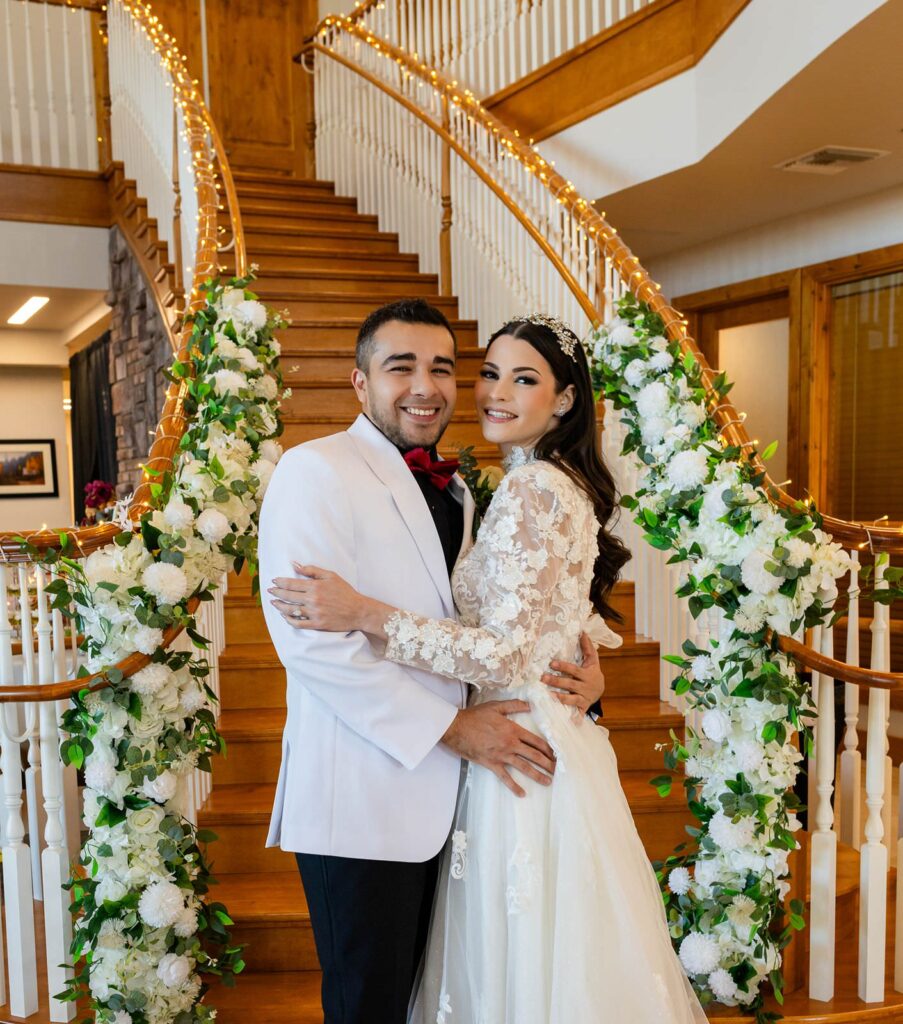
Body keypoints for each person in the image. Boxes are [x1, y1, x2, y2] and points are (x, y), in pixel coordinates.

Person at [269, 313, 710, 1024]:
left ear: (563, 399)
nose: (428, 386)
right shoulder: (315, 470)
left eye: (443, 367)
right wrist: (451, 722)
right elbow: (311, 643)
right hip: (369, 790)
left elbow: (516, 633)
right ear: (360, 381)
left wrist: (576, 676)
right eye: (401, 366)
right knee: (373, 1002)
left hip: (488, 773)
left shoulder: (484, 490)